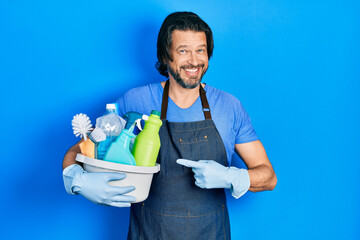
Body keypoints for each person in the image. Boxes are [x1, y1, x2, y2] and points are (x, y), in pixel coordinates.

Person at [63, 11, 277, 239]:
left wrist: (232, 177)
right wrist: (77, 180)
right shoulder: (134, 102)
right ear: (165, 56)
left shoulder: (228, 106)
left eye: (200, 50)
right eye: (183, 50)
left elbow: (268, 176)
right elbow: (80, 149)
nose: (194, 61)